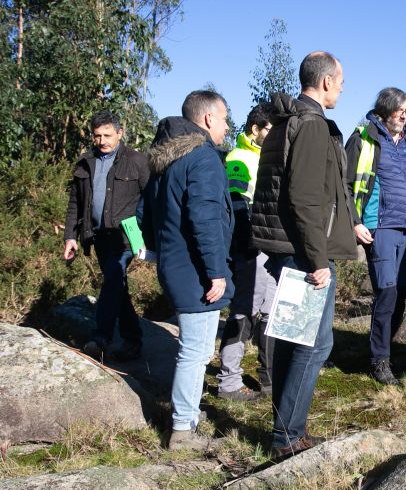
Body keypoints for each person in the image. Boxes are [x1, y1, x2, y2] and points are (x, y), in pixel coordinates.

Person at [251, 52, 356, 461]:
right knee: (315, 344)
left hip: (288, 247)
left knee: (294, 339)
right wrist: (317, 261)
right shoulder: (311, 125)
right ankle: (287, 436)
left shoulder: (284, 121)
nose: (343, 89)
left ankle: (285, 429)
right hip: (305, 252)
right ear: (326, 82)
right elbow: (306, 200)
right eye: (341, 81)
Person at [139, 90, 234, 450]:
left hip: (173, 263)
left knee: (192, 346)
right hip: (195, 269)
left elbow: (144, 211)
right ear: (208, 118)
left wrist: (153, 251)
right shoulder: (203, 159)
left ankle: (188, 413)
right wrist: (217, 271)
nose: (226, 126)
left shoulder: (166, 160)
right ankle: (182, 431)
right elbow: (206, 220)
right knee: (196, 350)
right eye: (224, 118)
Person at [345, 87, 406, 386]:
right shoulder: (364, 138)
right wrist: (354, 221)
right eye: (400, 110)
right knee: (387, 292)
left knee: (401, 293)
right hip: (380, 226)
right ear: (385, 109)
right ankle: (379, 360)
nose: (405, 115)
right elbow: (344, 183)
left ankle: (384, 348)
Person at [63, 111, 149, 362]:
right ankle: (133, 339)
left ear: (120, 133)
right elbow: (74, 204)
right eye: (97, 136)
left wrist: (145, 233)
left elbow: (152, 199)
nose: (102, 141)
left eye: (107, 135)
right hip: (97, 236)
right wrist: (71, 236)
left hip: (125, 238)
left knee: (112, 279)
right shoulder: (85, 163)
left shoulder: (137, 161)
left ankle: (101, 338)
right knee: (117, 286)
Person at [216, 103, 276, 401]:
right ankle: (229, 381)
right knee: (243, 313)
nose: (275, 134)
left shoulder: (271, 157)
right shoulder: (238, 158)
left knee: (270, 313)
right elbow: (235, 203)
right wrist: (248, 244)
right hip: (250, 248)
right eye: (270, 129)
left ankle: (269, 378)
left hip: (272, 247)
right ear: (255, 129)